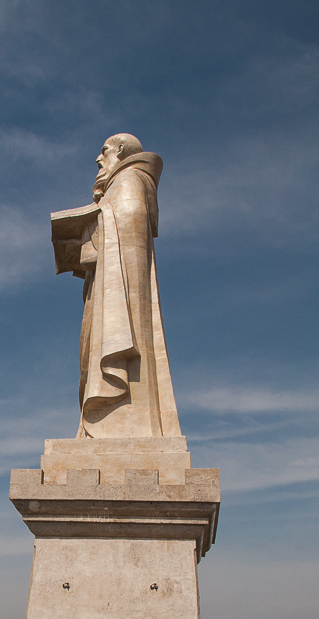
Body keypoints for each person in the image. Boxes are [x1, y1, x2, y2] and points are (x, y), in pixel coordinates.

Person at [51, 133, 182, 439]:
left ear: (120, 151)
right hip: (102, 282)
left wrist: (91, 229)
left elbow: (128, 222)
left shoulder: (129, 179)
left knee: (111, 345)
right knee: (88, 354)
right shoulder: (119, 186)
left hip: (118, 286)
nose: (99, 158)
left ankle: (121, 425)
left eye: (104, 150)